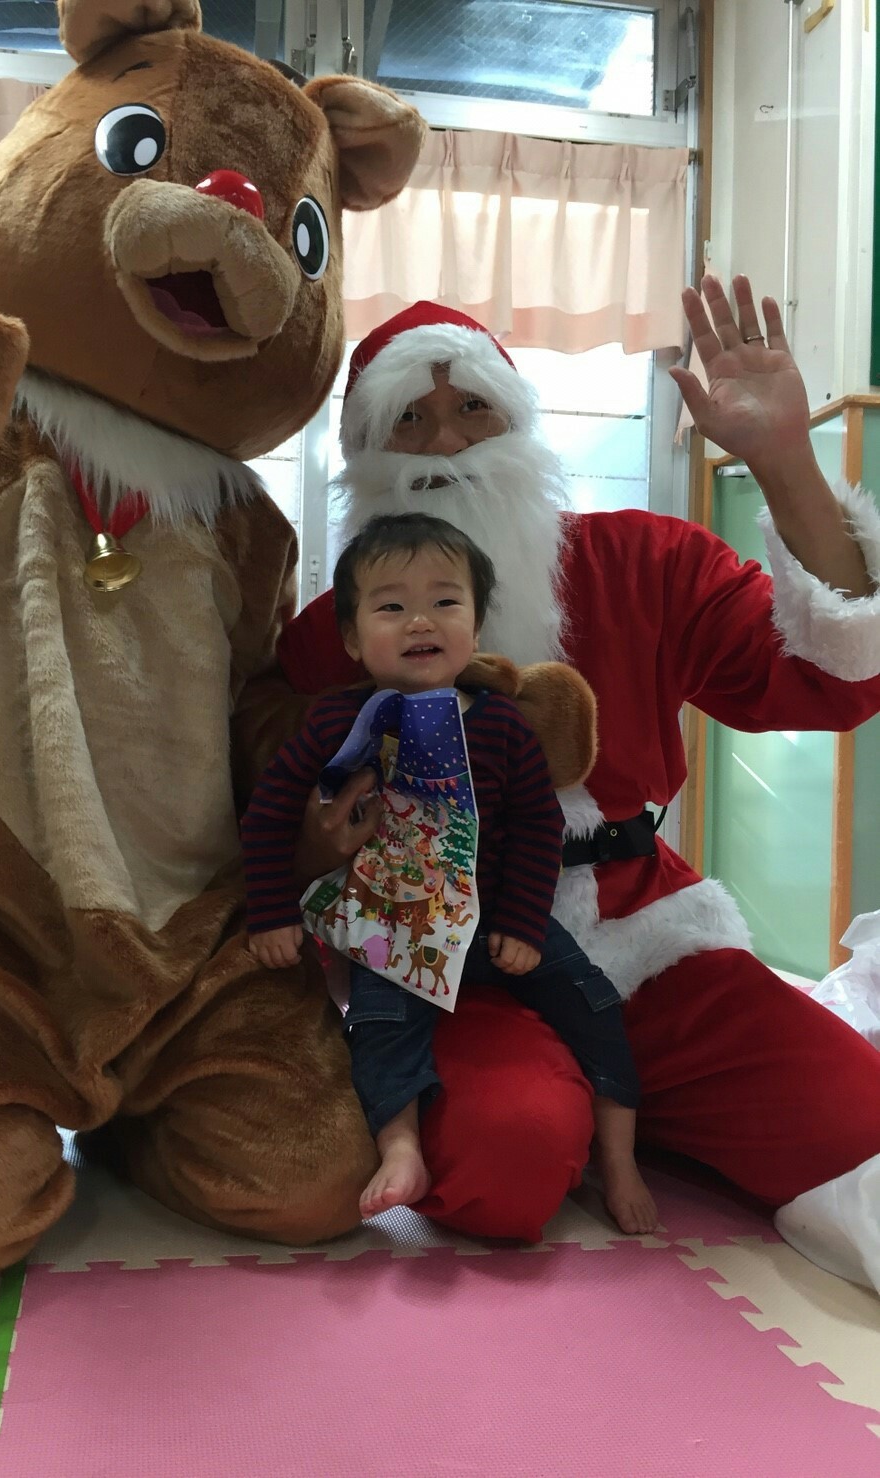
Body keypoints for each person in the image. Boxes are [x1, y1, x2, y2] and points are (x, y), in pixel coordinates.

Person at [276, 278, 880, 1294]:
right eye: (408, 418)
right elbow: (268, 824)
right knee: (505, 1169)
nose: (445, 443)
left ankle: (640, 1112)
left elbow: (834, 678)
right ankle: (595, 1116)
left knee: (858, 1122)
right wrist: (318, 848)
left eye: (473, 407)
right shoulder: (326, 639)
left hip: (650, 933)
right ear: (364, 455)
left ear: (520, 424)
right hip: (458, 961)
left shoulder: (643, 561)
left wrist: (782, 461)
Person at [241, 513, 657, 1232]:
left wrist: (524, 924)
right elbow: (269, 812)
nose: (420, 621)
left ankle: (619, 1159)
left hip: (501, 924)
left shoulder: (501, 724)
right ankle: (400, 1148)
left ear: (476, 626)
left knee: (596, 1006)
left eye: (444, 601)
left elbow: (539, 827)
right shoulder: (338, 723)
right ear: (352, 639)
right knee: (379, 1027)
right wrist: (271, 910)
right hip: (397, 924)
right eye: (391, 606)